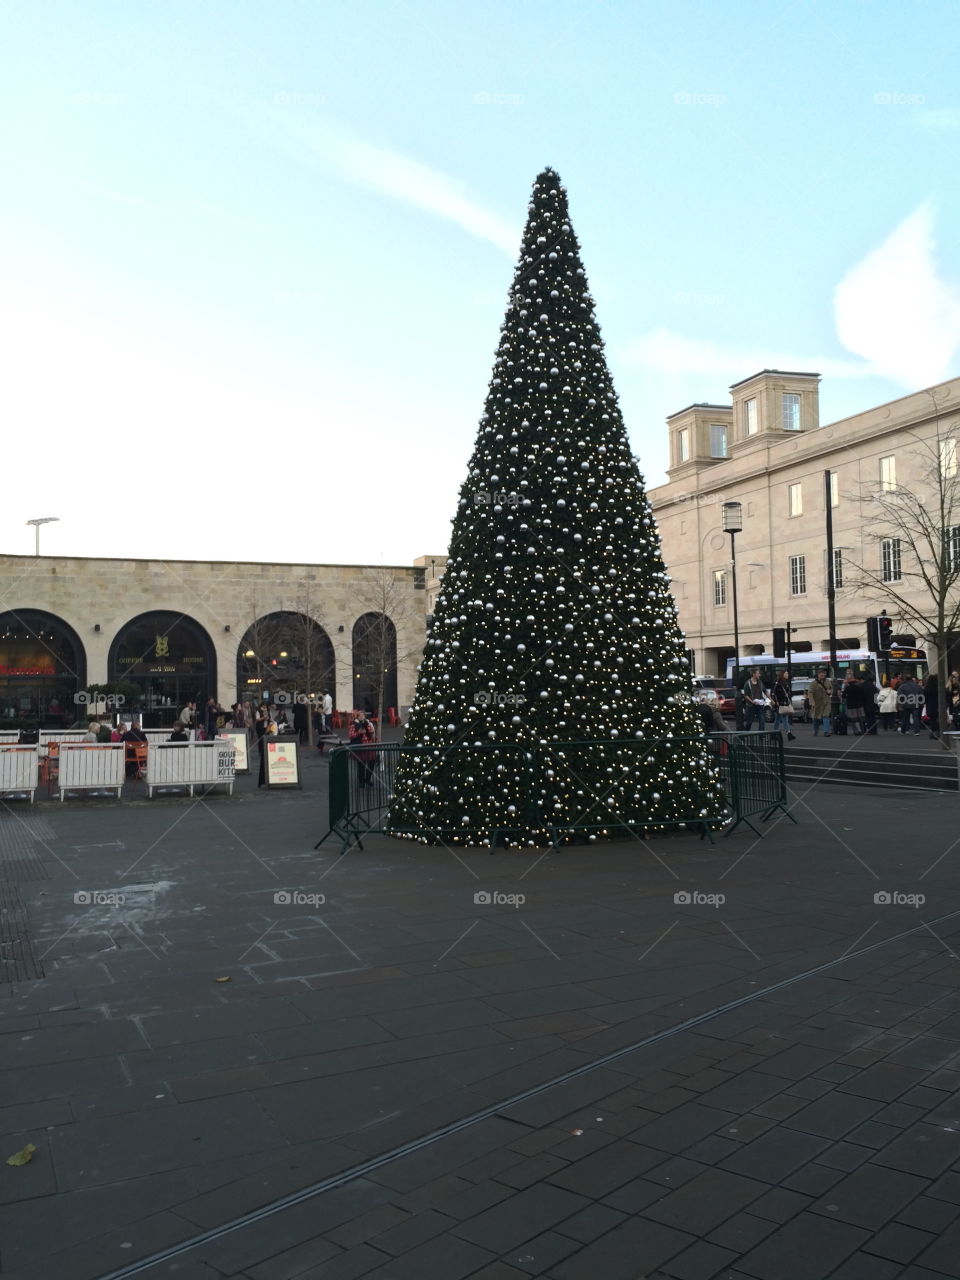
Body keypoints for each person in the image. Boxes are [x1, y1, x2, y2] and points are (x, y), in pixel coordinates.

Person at [349, 709, 377, 789]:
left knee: (371, 763)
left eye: (363, 715)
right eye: (360, 715)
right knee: (361, 765)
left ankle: (367, 779)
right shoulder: (354, 725)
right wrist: (358, 733)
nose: (361, 717)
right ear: (357, 717)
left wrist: (371, 732)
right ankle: (361, 781)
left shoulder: (368, 723)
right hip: (360, 746)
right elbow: (351, 735)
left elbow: (371, 734)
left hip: (369, 746)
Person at [807, 669, 833, 737]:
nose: (823, 675)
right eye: (821, 673)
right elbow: (810, 693)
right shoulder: (813, 683)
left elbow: (831, 689)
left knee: (826, 716)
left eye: (824, 673)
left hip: (826, 702)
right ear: (818, 675)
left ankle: (826, 732)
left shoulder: (828, 681)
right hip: (816, 703)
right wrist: (812, 702)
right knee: (816, 718)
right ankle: (815, 731)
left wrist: (830, 692)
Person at [771, 670, 796, 741]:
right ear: (782, 674)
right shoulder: (777, 683)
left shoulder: (785, 683)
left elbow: (788, 692)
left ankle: (774, 734)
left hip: (785, 703)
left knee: (778, 719)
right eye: (786, 673)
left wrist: (788, 695)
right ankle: (789, 734)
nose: (788, 674)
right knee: (785, 719)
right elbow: (772, 693)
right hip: (779, 704)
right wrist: (775, 701)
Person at [924, 673, 940, 739]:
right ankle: (937, 731)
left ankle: (933, 732)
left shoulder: (927, 688)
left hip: (930, 705)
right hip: (938, 705)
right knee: (937, 718)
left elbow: (924, 697)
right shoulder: (938, 687)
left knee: (932, 719)